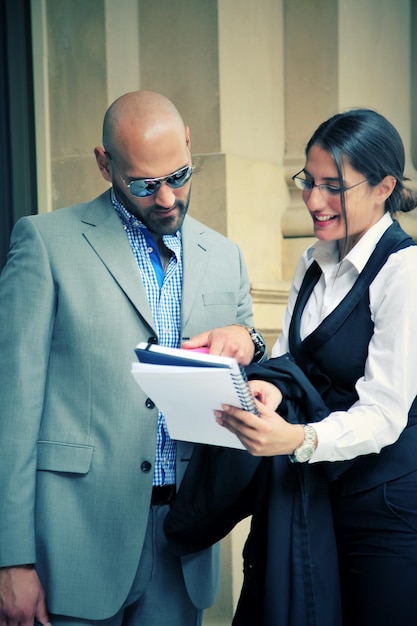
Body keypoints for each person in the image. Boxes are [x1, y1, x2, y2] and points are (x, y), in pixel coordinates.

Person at [0, 90, 266, 626]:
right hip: (73, 544)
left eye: (180, 175)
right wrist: (11, 559)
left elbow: (253, 366)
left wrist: (249, 342)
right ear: (105, 164)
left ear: (189, 144)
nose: (167, 198)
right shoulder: (45, 242)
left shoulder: (226, 255)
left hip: (182, 537)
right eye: (146, 184)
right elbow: (11, 410)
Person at [213, 109, 417, 625]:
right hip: (320, 492)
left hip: (386, 509)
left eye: (333, 186)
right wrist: (272, 393)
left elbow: (385, 413)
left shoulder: (406, 272)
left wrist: (295, 440)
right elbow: (290, 362)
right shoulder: (313, 262)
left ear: (383, 186)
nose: (314, 201)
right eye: (308, 181)